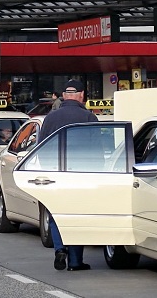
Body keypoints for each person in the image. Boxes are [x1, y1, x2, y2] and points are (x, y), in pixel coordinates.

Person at [39, 79, 98, 272]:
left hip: (55, 173)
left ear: (64, 96)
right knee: (77, 215)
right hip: (81, 175)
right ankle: (75, 261)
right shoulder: (89, 117)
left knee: (56, 213)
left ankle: (59, 249)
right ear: (81, 95)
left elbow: (40, 148)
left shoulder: (50, 118)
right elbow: (99, 151)